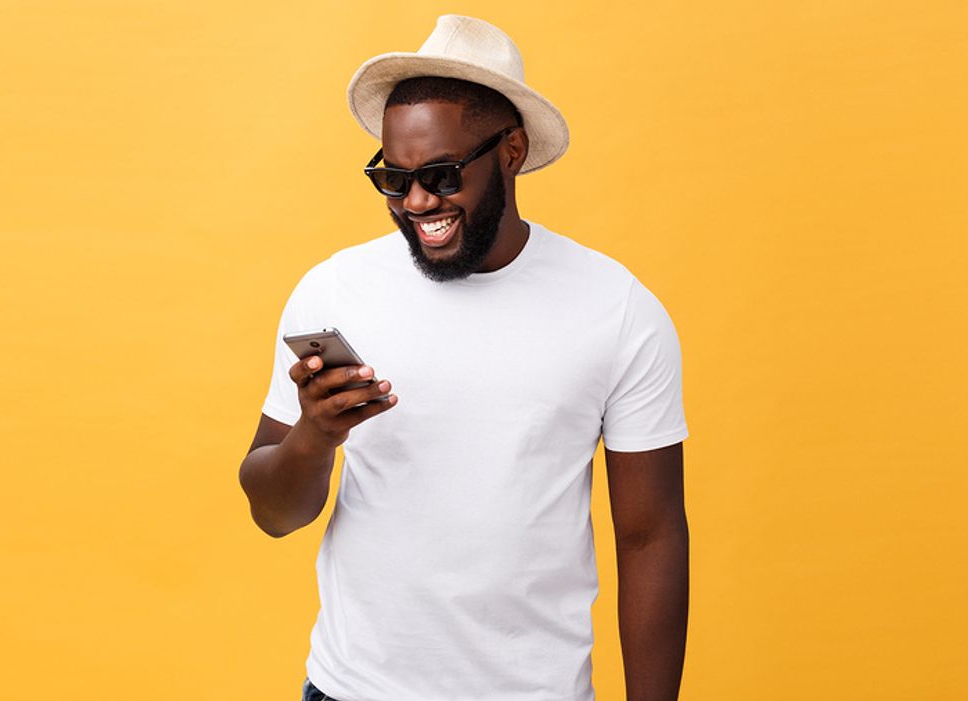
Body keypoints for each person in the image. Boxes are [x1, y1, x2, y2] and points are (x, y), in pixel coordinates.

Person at [239, 15, 689, 701]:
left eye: (441, 175)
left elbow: (650, 535)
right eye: (394, 178)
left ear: (510, 151)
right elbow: (273, 513)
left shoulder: (616, 308)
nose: (418, 202)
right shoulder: (335, 290)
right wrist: (314, 436)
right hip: (352, 689)